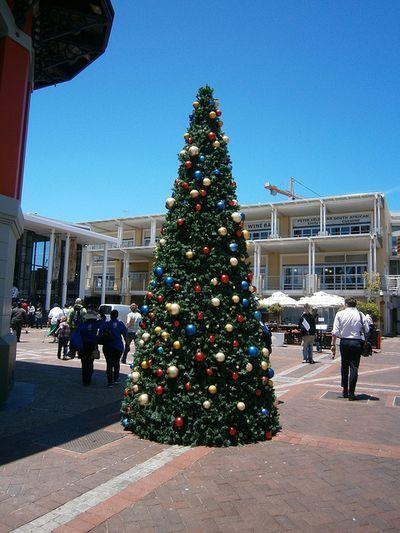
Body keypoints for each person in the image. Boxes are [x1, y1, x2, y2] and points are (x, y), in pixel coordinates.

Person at [331, 297, 370, 401]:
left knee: (344, 366)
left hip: (344, 342)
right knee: (354, 367)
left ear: (346, 304)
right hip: (356, 342)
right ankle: (351, 393)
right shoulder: (361, 315)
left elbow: (335, 331)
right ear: (355, 304)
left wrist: (333, 345)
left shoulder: (340, 314)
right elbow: (367, 329)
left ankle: (344, 390)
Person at [76, 307, 103, 386]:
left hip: (83, 344)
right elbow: (103, 319)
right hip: (93, 344)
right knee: (91, 362)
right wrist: (99, 312)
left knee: (84, 362)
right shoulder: (96, 324)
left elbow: (77, 335)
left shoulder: (82, 325)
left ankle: (85, 379)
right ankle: (89, 377)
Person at [99, 309, 127, 388]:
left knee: (109, 363)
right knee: (116, 362)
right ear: (117, 315)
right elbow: (125, 335)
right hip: (118, 346)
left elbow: (100, 333)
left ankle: (110, 382)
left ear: (111, 315)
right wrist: (128, 344)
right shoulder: (120, 324)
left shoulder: (106, 324)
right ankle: (116, 379)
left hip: (108, 346)